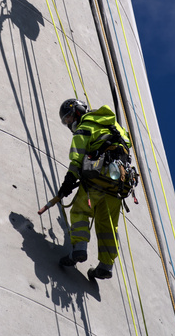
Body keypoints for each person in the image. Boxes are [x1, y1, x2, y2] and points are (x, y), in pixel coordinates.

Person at [38, 98, 133, 281]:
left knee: (80, 211)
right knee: (108, 226)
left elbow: (77, 158)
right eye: (66, 121)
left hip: (96, 180)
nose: (69, 123)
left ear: (78, 111)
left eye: (69, 118)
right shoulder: (114, 126)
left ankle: (79, 249)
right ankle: (106, 265)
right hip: (118, 186)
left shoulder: (86, 125)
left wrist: (67, 183)